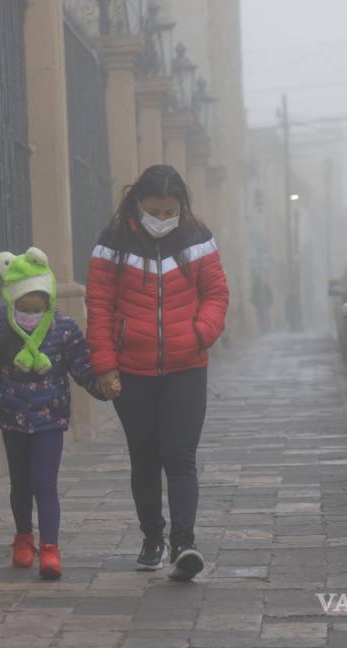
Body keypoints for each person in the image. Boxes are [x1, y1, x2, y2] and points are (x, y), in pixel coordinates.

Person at [85, 164, 229, 582]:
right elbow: (99, 307)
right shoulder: (111, 246)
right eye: (155, 210)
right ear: (137, 204)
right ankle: (153, 539)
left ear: (181, 207)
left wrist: (201, 333)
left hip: (187, 368)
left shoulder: (198, 241)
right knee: (144, 460)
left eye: (170, 211)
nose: (163, 219)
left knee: (180, 457)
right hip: (132, 373)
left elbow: (217, 292)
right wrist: (105, 366)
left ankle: (184, 543)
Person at [0, 247, 106, 580]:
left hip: (50, 419)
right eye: (26, 299)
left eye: (39, 298)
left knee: (45, 484)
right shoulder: (1, 325)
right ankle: (23, 538)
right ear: (13, 297)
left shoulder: (64, 328)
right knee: (20, 485)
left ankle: (51, 549)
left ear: (49, 295)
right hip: (13, 417)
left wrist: (103, 387)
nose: (33, 305)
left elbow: (82, 367)